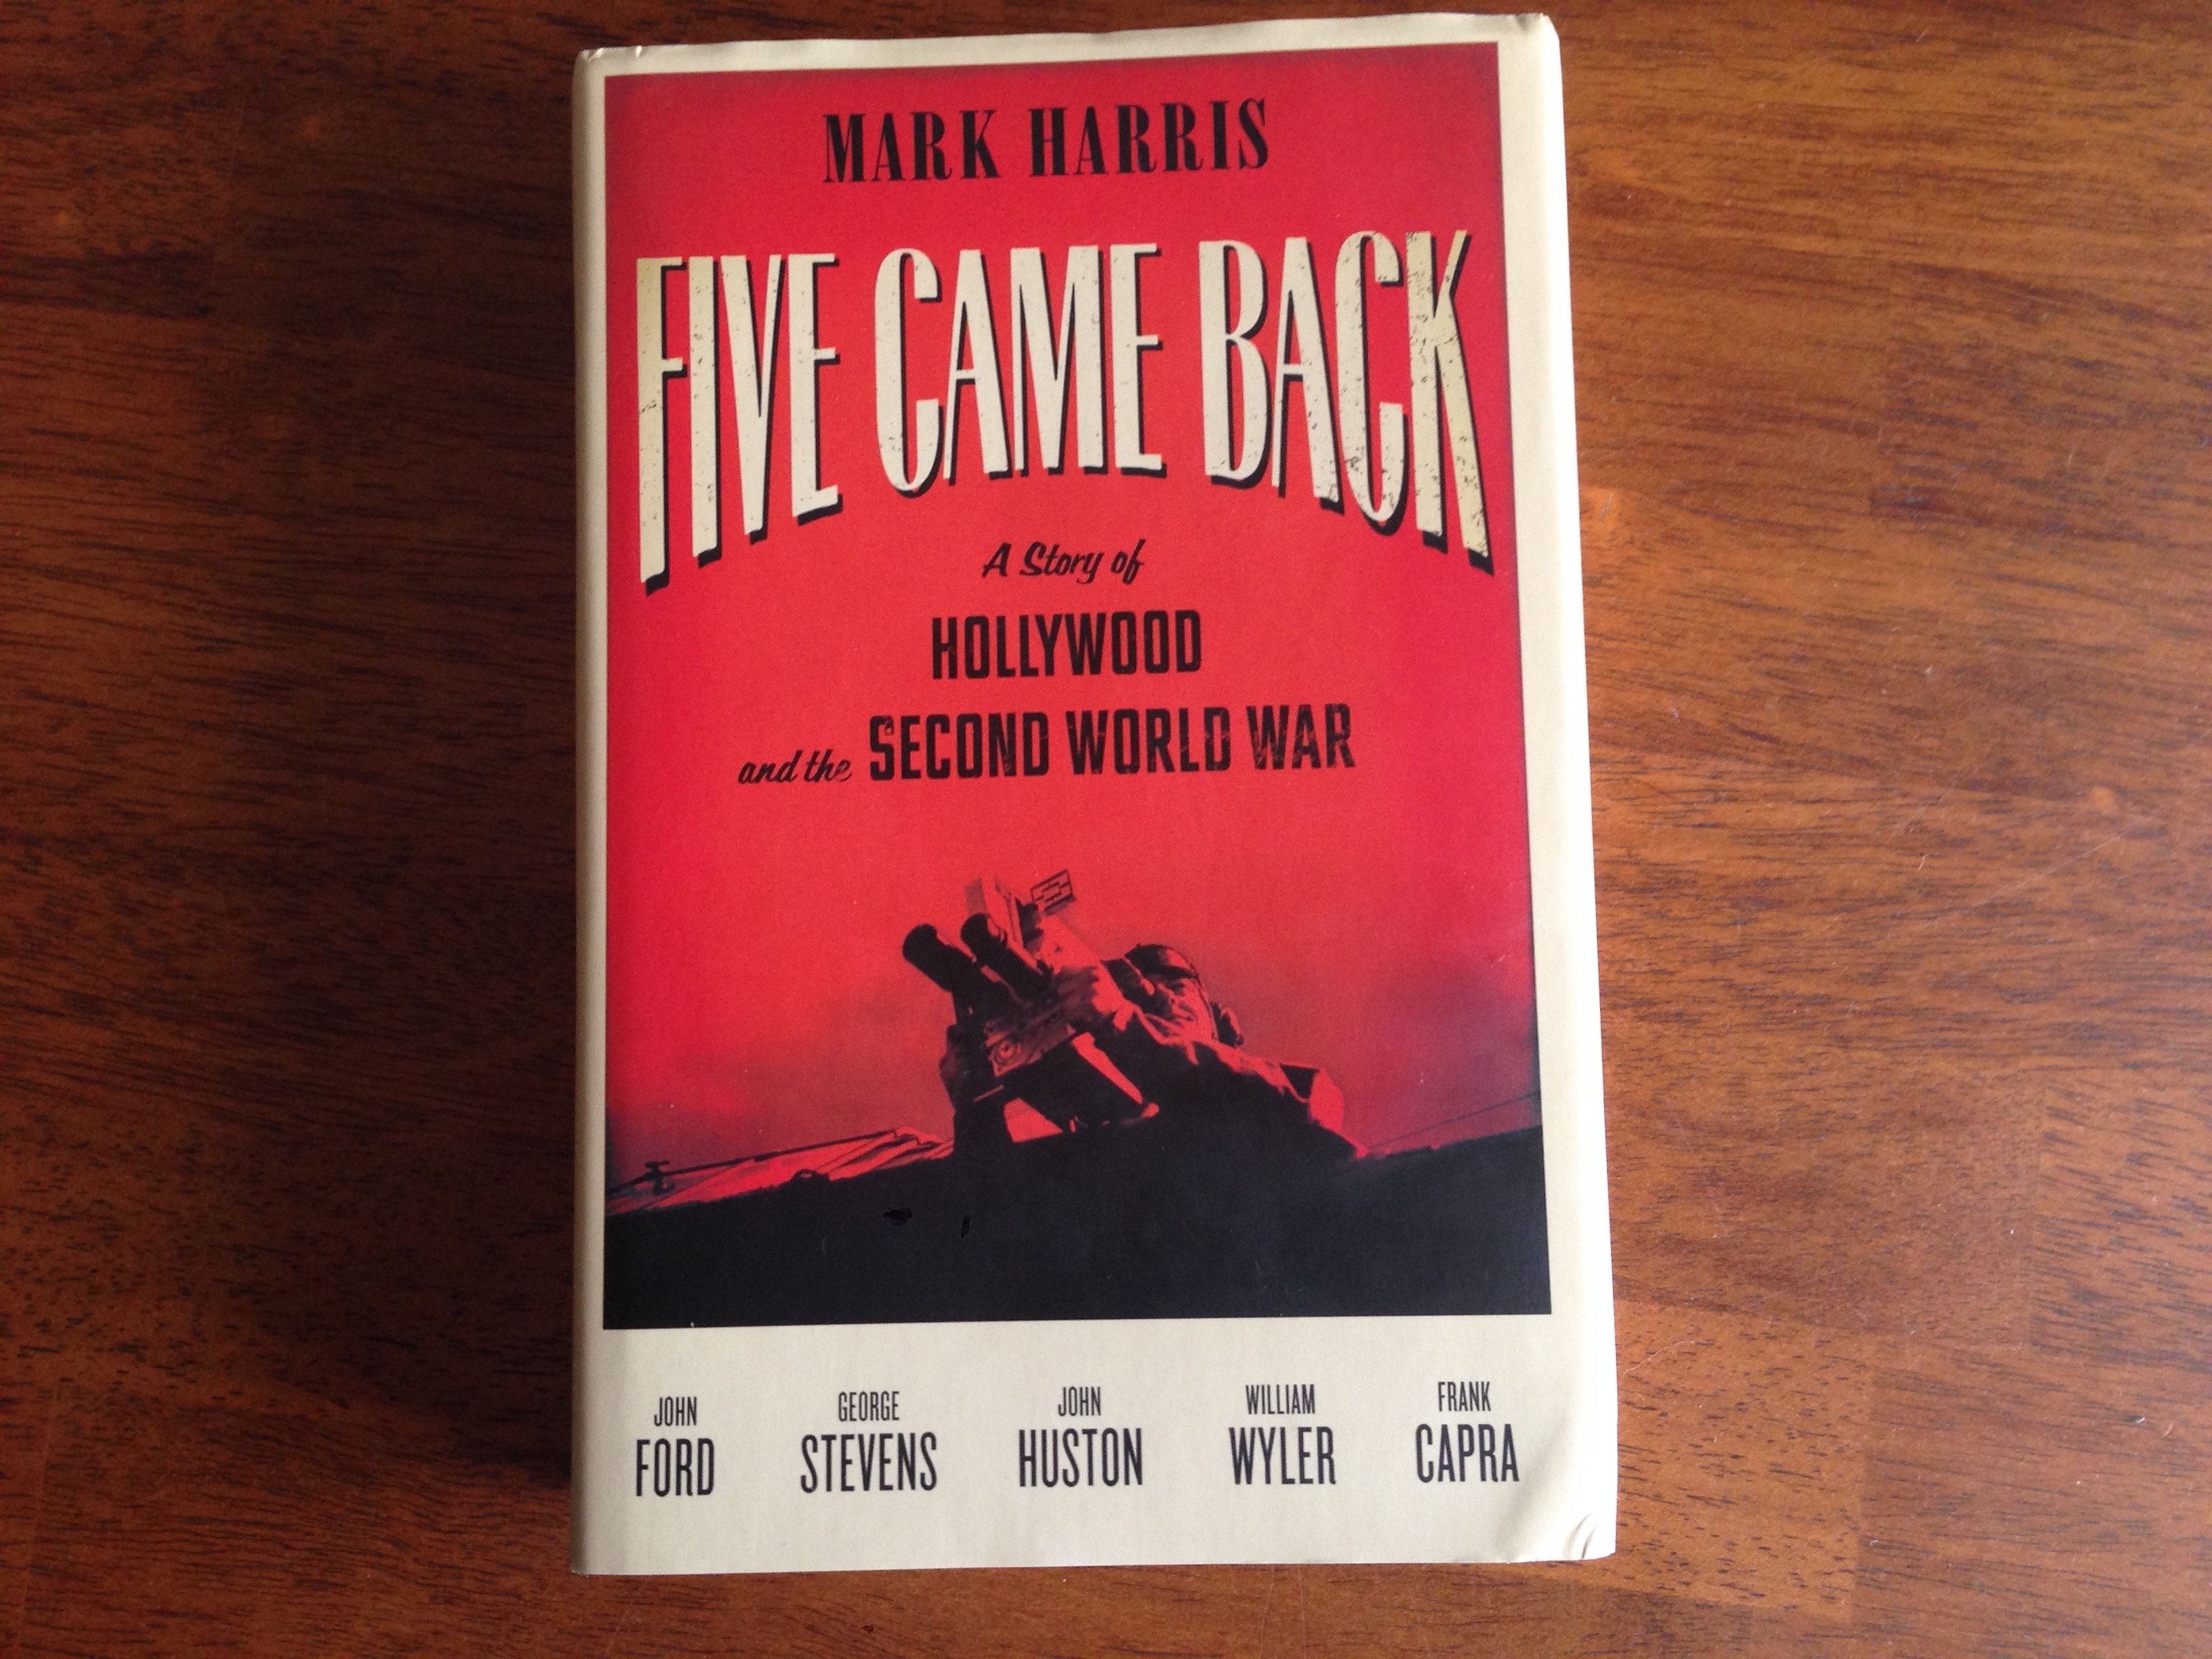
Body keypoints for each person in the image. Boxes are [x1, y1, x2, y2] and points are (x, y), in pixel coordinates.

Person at [939, 943, 1356, 1154]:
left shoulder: (1297, 1089)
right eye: (1146, 994)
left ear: (1220, 1020)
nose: (1164, 998)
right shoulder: (1105, 1139)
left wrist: (1121, 1020)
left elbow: (1291, 1113)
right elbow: (1000, 1225)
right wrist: (975, 1109)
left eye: (1176, 986)